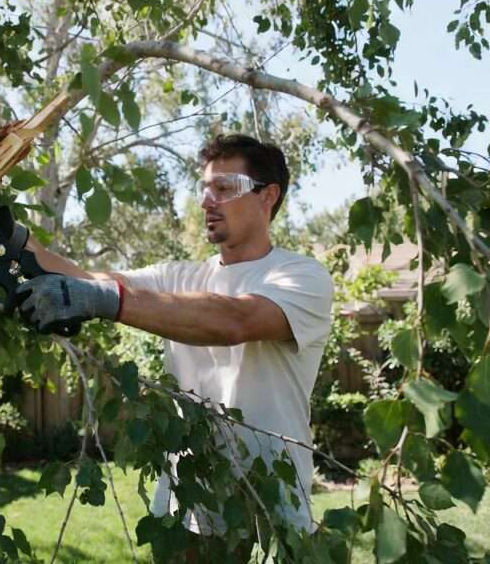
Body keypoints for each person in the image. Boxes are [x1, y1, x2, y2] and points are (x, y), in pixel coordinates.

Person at [17, 133, 334, 555]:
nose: (206, 201)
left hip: (273, 503)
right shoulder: (179, 277)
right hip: (192, 500)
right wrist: (12, 238)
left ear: (267, 196)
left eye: (223, 188)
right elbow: (87, 280)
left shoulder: (301, 276)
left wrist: (109, 301)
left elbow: (235, 320)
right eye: (204, 189)